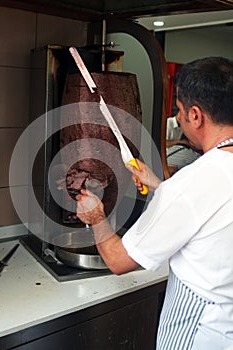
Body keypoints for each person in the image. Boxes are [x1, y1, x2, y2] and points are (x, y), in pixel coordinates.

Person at [76, 57, 233, 350]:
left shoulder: (194, 182)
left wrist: (96, 216)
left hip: (200, 334)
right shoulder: (203, 179)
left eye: (181, 111)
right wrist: (164, 187)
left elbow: (119, 260)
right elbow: (216, 210)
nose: (181, 117)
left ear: (196, 116)